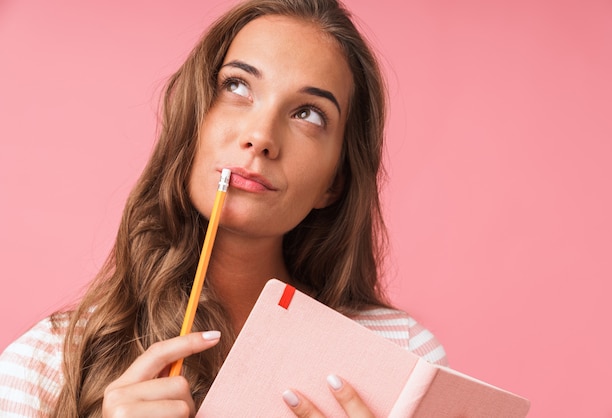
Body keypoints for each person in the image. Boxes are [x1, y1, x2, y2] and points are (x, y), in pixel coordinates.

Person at [0, 0, 447, 416]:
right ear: (190, 121)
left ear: (335, 182)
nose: (261, 136)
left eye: (308, 113)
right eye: (237, 85)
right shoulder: (46, 362)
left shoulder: (404, 359)